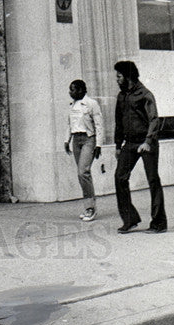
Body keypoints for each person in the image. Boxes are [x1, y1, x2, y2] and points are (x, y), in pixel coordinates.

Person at [113, 60, 167, 233]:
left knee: (153, 180)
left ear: (128, 76)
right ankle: (130, 219)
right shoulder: (121, 96)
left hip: (146, 143)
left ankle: (159, 223)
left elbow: (154, 119)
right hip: (129, 143)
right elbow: (118, 122)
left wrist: (148, 141)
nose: (116, 79)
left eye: (119, 76)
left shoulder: (145, 94)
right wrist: (117, 144)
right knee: (120, 177)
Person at [64, 79, 103, 221]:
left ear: (81, 90)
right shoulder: (72, 105)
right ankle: (88, 206)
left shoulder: (92, 104)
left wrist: (98, 145)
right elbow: (69, 124)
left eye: (72, 89)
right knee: (82, 174)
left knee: (83, 172)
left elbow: (99, 125)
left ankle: (90, 208)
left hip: (88, 139)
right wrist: (66, 140)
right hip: (76, 140)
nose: (70, 92)